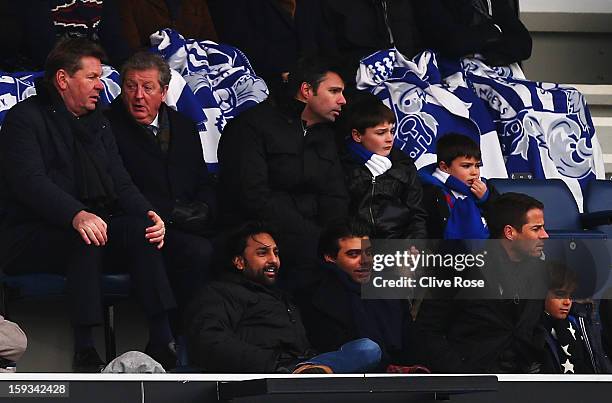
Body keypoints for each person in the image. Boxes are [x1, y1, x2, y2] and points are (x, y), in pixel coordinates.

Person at [0, 38, 176, 372]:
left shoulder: (100, 122)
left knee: (141, 231)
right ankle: (85, 349)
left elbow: (120, 181)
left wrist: (150, 215)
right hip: (29, 235)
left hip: (88, 225)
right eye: (92, 77)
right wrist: (75, 214)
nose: (100, 86)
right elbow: (29, 182)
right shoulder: (25, 119)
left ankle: (162, 338)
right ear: (63, 80)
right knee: (87, 234)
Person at [217, 55, 349, 288]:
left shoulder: (325, 134)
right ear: (307, 90)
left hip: (315, 233)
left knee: (372, 263)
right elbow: (253, 197)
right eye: (334, 91)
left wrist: (336, 238)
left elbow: (335, 194)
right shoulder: (250, 127)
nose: (343, 101)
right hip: (265, 232)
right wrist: (316, 237)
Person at [105, 51, 215, 324]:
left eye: (147, 87)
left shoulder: (184, 126)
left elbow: (202, 179)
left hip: (189, 223)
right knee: (197, 252)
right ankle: (178, 336)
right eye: (131, 86)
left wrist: (204, 208)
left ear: (164, 92)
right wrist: (169, 212)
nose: (138, 95)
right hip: (142, 228)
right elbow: (115, 187)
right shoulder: (106, 125)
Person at [186, 221, 382, 373]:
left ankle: (310, 373)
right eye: (263, 253)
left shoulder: (283, 296)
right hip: (264, 376)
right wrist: (274, 364)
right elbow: (209, 341)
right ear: (239, 262)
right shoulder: (220, 293)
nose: (273, 260)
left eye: (276, 253)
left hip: (300, 366)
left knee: (366, 349)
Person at [416, 192, 549, 373]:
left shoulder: (539, 273)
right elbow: (429, 328)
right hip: (471, 382)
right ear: (510, 232)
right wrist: (457, 374)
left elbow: (535, 327)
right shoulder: (463, 268)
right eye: (536, 229)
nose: (545, 235)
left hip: (524, 383)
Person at [295, 219, 418, 370]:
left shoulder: (390, 293)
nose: (365, 261)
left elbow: (411, 345)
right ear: (330, 258)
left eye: (369, 253)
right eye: (353, 254)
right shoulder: (317, 294)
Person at [340, 96, 426, 239]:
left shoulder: (404, 165)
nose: (389, 138)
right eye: (381, 133)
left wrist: (413, 245)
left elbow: (417, 215)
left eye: (391, 131)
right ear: (357, 135)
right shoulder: (342, 164)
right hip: (355, 246)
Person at [419, 133, 498, 240]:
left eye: (477, 165)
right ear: (444, 167)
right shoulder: (429, 191)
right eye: (466, 166)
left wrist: (486, 199)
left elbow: (504, 216)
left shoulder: (486, 187)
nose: (474, 172)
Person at [412, 0, 532, 66]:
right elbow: (454, 44)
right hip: (451, 78)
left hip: (497, 71)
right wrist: (494, 31)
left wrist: (477, 52)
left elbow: (524, 44)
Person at [118, 0, 217, 53]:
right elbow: (129, 54)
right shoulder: (128, 3)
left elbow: (211, 43)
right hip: (154, 74)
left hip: (200, 70)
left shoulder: (196, 3)